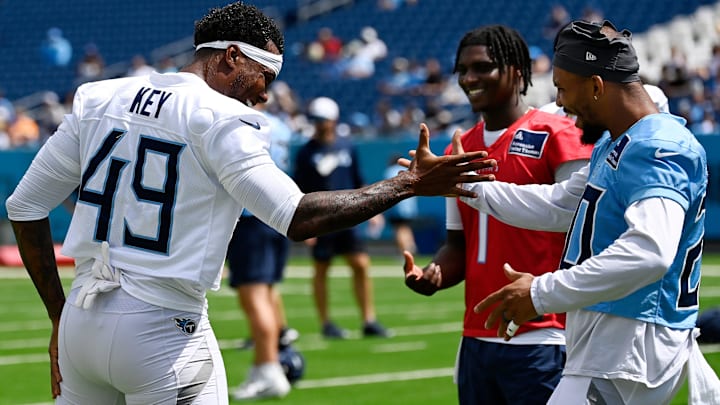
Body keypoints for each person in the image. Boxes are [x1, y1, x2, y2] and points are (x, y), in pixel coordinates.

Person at [4, 2, 496, 403]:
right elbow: (298, 217)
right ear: (232, 57)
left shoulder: (99, 97)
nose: (264, 96)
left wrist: (58, 316)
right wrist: (406, 184)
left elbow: (24, 206)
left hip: (81, 325)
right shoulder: (219, 116)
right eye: (266, 76)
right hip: (160, 329)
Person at [462, 20, 719, 403]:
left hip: (628, 344)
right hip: (612, 342)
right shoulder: (619, 144)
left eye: (564, 89)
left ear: (597, 86)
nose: (561, 103)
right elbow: (559, 204)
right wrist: (463, 186)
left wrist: (542, 292)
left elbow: (650, 251)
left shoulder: (656, 147)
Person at [402, 25, 592, 405]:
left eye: (483, 67)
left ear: (517, 71)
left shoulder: (558, 133)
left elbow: (584, 228)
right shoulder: (459, 148)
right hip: (476, 338)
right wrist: (435, 275)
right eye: (463, 70)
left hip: (543, 333)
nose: (469, 78)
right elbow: (458, 244)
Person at [293, 96, 391, 339]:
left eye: (322, 120)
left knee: (360, 264)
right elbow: (300, 191)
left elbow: (359, 181)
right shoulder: (306, 153)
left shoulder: (347, 146)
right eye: (316, 120)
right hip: (322, 220)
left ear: (333, 120)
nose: (318, 125)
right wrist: (306, 225)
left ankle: (369, 319)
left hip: (349, 218)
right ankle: (326, 322)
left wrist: (373, 212)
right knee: (321, 269)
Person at [225, 95, 299, 400]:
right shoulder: (279, 125)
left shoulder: (241, 122)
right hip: (276, 215)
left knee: (254, 298)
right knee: (266, 293)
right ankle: (265, 364)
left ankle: (269, 367)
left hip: (251, 217)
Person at [384, 155, 418, 256]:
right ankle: (410, 245)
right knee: (406, 227)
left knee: (399, 229)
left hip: (397, 206)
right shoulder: (407, 170)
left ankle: (405, 251)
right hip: (409, 207)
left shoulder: (389, 171)